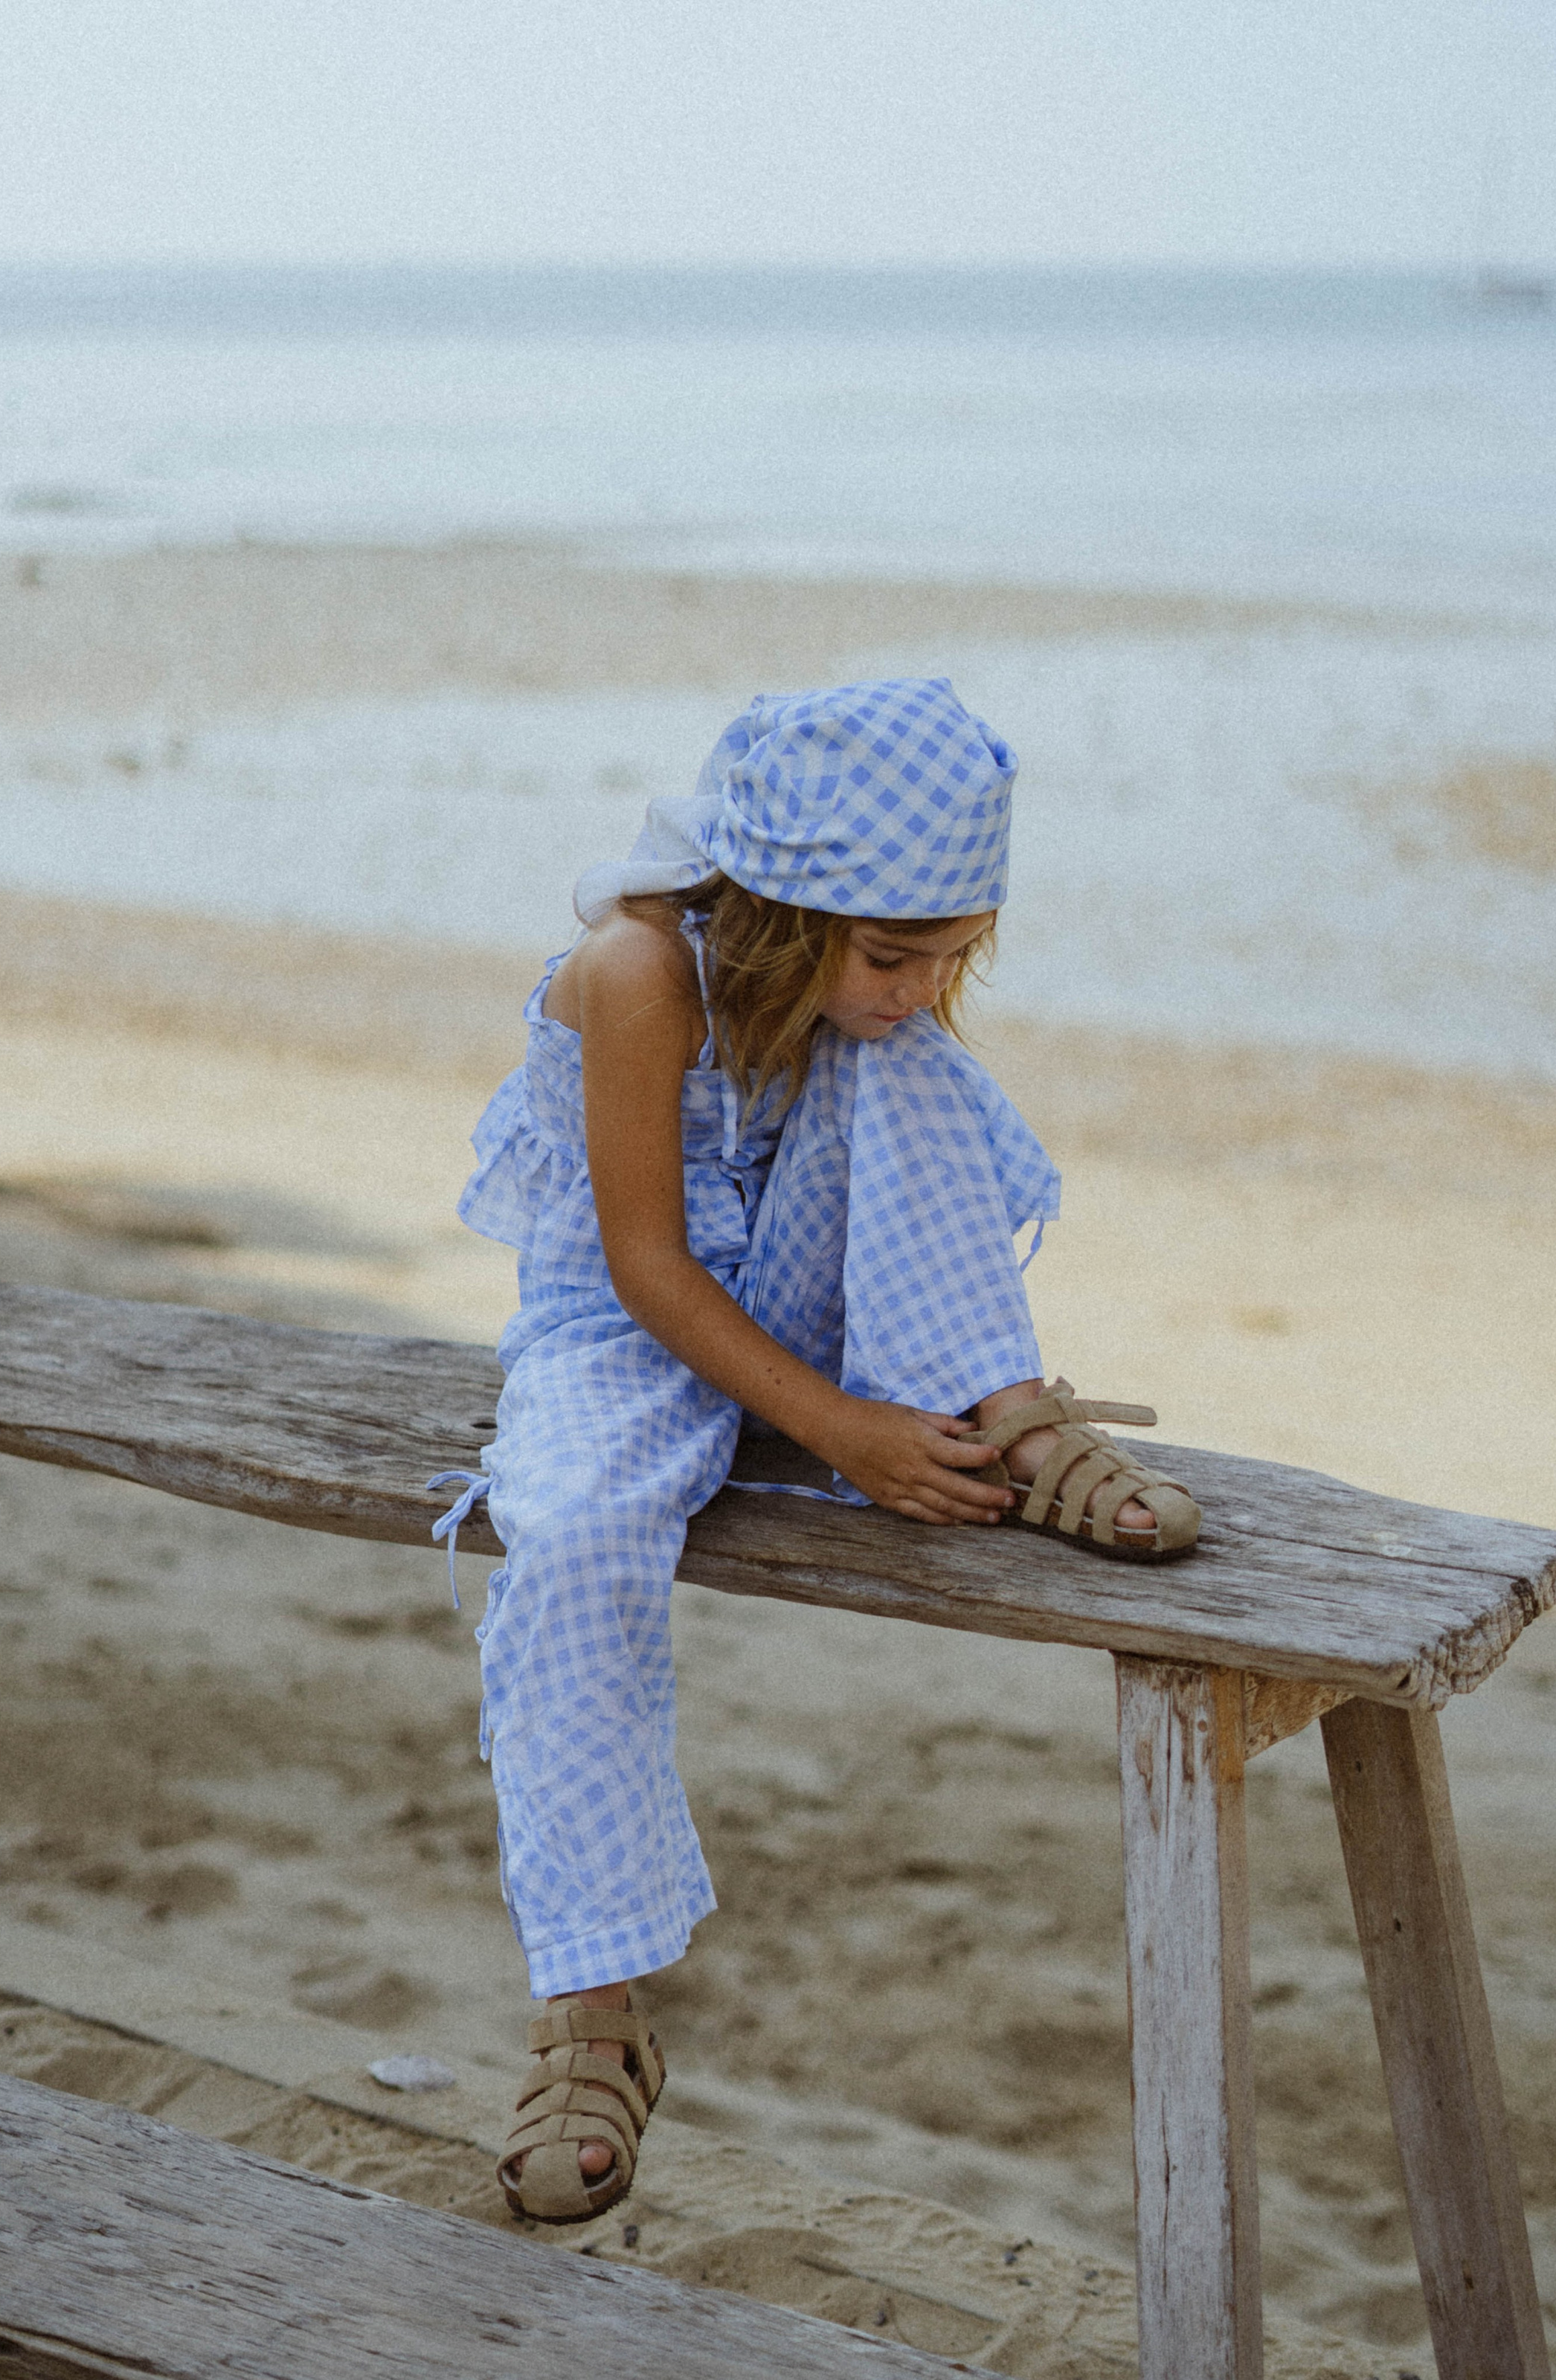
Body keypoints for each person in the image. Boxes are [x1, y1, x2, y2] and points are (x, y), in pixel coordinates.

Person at [431, 677, 1198, 2226]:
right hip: (624, 1322)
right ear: (777, 912)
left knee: (896, 1068)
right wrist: (838, 1426)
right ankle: (595, 2010)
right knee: (570, 1532)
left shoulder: (873, 1022)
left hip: (828, 1301)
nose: (920, 984)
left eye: (948, 954)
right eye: (890, 951)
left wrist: (884, 1392)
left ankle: (1004, 1405)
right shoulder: (634, 968)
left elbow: (869, 1172)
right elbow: (645, 1266)